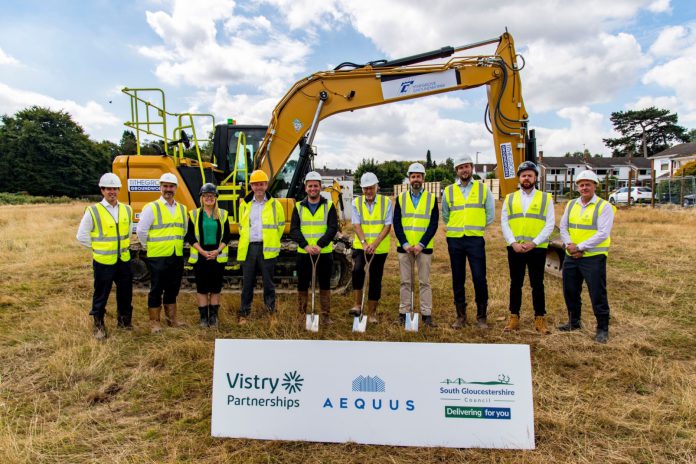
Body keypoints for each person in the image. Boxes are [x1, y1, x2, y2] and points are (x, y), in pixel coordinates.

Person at [559, 170, 615, 343]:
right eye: (581, 185)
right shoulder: (571, 205)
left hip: (593, 256)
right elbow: (563, 227)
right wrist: (569, 245)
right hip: (571, 255)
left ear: (595, 186)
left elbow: (603, 233)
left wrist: (580, 247)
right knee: (570, 291)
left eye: (588, 184)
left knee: (597, 293)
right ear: (577, 187)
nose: (584, 188)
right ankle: (574, 322)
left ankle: (602, 328)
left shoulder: (603, 206)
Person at [76, 173, 133, 340]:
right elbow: (82, 236)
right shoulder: (93, 211)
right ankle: (99, 325)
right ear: (102, 190)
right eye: (108, 189)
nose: (112, 192)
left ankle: (124, 322)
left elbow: (128, 232)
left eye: (115, 189)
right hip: (103, 261)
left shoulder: (127, 209)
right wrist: (99, 248)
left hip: (123, 260)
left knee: (125, 293)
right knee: (101, 294)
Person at [500, 161, 554, 334]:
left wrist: (534, 243)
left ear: (536, 178)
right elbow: (504, 223)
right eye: (523, 175)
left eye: (530, 175)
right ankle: (514, 317)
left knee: (537, 284)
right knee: (516, 283)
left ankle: (539, 318)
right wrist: (513, 243)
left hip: (536, 248)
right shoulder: (510, 198)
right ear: (519, 178)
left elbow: (550, 224)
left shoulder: (546, 198)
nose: (527, 178)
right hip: (515, 248)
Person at [442, 155, 495, 328]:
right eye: (460, 167)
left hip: (474, 239)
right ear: (456, 171)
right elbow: (445, 215)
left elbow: (490, 214)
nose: (464, 170)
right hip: (455, 240)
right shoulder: (449, 191)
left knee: (479, 277)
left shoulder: (483, 189)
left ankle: (481, 317)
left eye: (467, 166)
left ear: (471, 168)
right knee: (458, 278)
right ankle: (461, 316)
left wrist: (477, 226)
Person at [136, 172, 188, 333]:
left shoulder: (181, 208)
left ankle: (172, 320)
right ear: (160, 187)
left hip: (175, 255)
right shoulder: (151, 208)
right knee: (156, 289)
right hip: (157, 256)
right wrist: (150, 247)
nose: (168, 189)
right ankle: (155, 322)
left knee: (173, 288)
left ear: (176, 188)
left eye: (171, 186)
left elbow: (183, 230)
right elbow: (141, 231)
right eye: (165, 186)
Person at [393, 162, 439, 327]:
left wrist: (421, 244)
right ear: (409, 179)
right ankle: (403, 313)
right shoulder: (401, 198)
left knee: (424, 282)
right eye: (413, 176)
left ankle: (426, 315)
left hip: (423, 248)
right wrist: (405, 243)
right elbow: (396, 223)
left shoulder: (432, 199)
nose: (416, 179)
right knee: (405, 282)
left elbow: (433, 224)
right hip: (404, 248)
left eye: (418, 176)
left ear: (423, 178)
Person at [237, 170, 285, 326]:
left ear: (266, 185)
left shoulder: (275, 205)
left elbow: (280, 226)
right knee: (247, 284)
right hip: (249, 248)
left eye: (262, 184)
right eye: (256, 184)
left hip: (267, 248)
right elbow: (241, 226)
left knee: (269, 284)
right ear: (251, 186)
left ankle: (271, 314)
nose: (259, 187)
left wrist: (272, 241)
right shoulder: (244, 205)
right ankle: (244, 314)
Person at [290, 171, 338, 324]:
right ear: (306, 188)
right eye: (310, 186)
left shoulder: (329, 206)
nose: (313, 189)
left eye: (316, 186)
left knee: (324, 284)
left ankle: (325, 316)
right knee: (303, 284)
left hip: (324, 252)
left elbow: (332, 228)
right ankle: (301, 315)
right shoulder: (298, 207)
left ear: (320, 187)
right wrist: (305, 245)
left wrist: (319, 245)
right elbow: (294, 229)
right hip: (304, 253)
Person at [184, 183, 231, 328]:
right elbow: (190, 237)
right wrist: (203, 252)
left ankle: (213, 318)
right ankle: (204, 318)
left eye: (211, 195)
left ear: (216, 198)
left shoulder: (222, 214)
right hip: (201, 256)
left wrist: (217, 251)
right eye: (206, 196)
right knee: (202, 288)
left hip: (217, 255)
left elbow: (227, 236)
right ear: (201, 198)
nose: (209, 198)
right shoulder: (194, 214)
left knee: (215, 288)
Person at [348, 172, 392, 323]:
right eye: (365, 188)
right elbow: (356, 224)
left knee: (375, 277)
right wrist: (365, 243)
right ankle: (357, 305)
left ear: (377, 187)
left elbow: (387, 225)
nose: (368, 191)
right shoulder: (356, 202)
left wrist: (375, 244)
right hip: (361, 246)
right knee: (357, 270)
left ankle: (372, 313)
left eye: (371, 188)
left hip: (379, 247)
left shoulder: (386, 202)